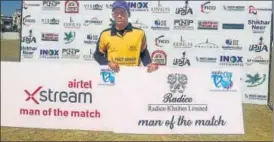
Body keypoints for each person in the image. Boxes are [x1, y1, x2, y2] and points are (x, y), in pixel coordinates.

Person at [93, 0, 159, 73]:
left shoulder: (139, 33)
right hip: (113, 76)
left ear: (129, 14)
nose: (119, 16)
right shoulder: (105, 34)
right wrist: (108, 63)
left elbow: (143, 52)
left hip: (133, 75)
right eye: (116, 13)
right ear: (113, 15)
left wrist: (149, 64)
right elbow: (97, 55)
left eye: (122, 13)